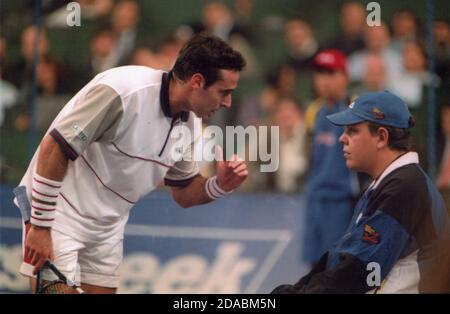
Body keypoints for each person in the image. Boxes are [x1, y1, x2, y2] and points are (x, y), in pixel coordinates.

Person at [14, 34, 248, 294]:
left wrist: (220, 185)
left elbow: (184, 191)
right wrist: (41, 225)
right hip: (59, 213)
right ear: (197, 82)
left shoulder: (190, 124)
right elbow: (55, 148)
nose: (227, 102)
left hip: (108, 226)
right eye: (223, 92)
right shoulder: (122, 91)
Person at [272, 91, 450, 293]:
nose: (342, 139)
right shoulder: (389, 182)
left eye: (352, 130)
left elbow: (358, 270)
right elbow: (341, 257)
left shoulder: (405, 186)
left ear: (381, 137)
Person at [302, 49, 359, 267]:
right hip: (315, 198)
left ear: (345, 76)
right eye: (320, 74)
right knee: (314, 267)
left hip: (342, 200)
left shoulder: (357, 110)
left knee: (335, 267)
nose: (324, 81)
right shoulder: (314, 112)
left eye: (331, 73)